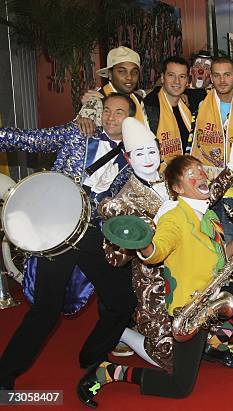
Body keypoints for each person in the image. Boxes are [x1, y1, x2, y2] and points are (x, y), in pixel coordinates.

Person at [77, 154, 233, 406]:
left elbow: (216, 261)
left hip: (210, 297)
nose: (201, 175)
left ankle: (213, 343)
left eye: (201, 171)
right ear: (178, 188)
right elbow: (158, 250)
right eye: (191, 174)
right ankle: (107, 371)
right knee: (179, 387)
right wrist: (144, 244)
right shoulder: (174, 217)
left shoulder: (207, 216)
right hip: (189, 310)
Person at [0, 93, 137, 389]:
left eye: (120, 112)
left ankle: (92, 358)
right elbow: (30, 140)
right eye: (108, 111)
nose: (112, 117)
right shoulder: (79, 131)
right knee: (45, 312)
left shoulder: (135, 158)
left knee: (122, 301)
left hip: (94, 235)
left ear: (131, 119)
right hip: (58, 232)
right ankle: (3, 377)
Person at [191, 56, 233, 242]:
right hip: (205, 185)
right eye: (217, 75)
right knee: (207, 241)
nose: (222, 80)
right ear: (211, 77)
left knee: (232, 241)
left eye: (227, 75)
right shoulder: (197, 104)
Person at [77, 46, 148, 136]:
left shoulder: (138, 99)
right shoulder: (96, 102)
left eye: (134, 72)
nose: (129, 77)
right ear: (110, 74)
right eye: (122, 71)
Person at [143, 56, 193, 162]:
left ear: (187, 81)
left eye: (182, 76)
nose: (177, 81)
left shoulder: (188, 108)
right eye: (171, 75)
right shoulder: (150, 109)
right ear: (162, 78)